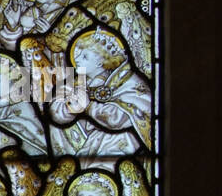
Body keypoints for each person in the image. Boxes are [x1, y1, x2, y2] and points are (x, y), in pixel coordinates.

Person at [47, 28, 152, 157]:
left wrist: (89, 107)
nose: (77, 59)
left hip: (116, 145)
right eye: (77, 54)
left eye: (84, 56)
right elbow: (54, 111)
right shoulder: (75, 83)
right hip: (82, 145)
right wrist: (68, 109)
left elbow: (127, 117)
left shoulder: (127, 82)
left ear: (101, 61)